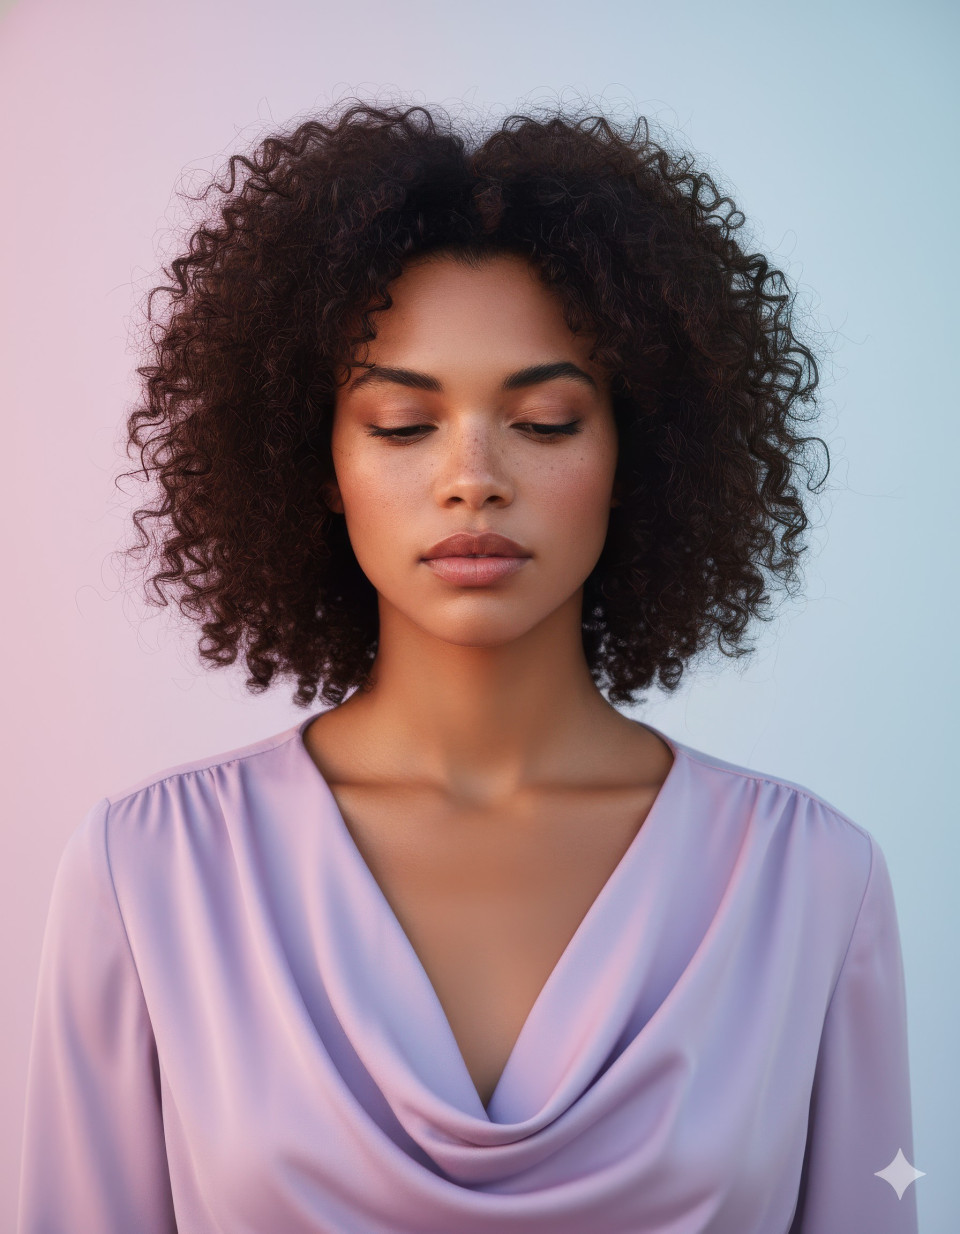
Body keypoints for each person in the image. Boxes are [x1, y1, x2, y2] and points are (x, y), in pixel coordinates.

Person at [17, 99, 918, 1233]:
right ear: (316, 460)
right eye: (403, 423)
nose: (473, 477)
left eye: (544, 421)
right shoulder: (146, 879)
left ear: (640, 454)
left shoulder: (814, 885)